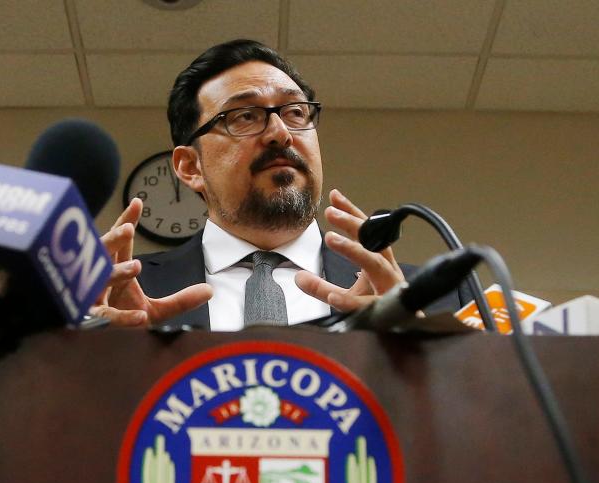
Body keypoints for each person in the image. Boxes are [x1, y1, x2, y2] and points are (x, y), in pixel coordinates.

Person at [90, 40, 461, 330]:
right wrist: (86, 345)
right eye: (245, 116)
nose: (281, 133)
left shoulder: (434, 296)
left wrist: (415, 349)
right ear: (190, 167)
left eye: (296, 112)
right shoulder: (117, 296)